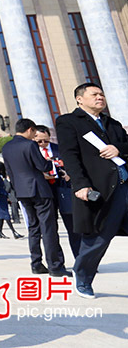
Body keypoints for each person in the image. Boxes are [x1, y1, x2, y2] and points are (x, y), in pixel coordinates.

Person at [56, 82, 128, 299]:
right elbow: (70, 156)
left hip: (124, 184)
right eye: (95, 94)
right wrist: (80, 184)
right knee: (98, 236)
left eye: (102, 94)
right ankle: (83, 276)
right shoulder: (69, 122)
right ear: (80, 99)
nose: (100, 97)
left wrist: (119, 149)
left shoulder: (112, 123)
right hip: (100, 188)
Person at [2, 118, 69, 276]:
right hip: (39, 190)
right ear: (30, 130)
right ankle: (55, 266)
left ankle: (36, 263)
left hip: (22, 191)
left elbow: (9, 171)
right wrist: (50, 162)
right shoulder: (30, 144)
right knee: (48, 228)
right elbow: (43, 166)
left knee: (33, 228)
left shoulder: (6, 147)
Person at [34, 125, 81, 259]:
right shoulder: (32, 151)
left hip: (63, 189)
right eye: (39, 141)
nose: (43, 144)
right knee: (50, 229)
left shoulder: (59, 149)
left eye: (46, 141)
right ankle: (57, 262)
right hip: (44, 191)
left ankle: (81, 260)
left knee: (74, 227)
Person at [0, 162, 24, 240]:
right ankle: (14, 232)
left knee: (1, 216)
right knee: (5, 214)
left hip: (1, 197)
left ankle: (0, 232)